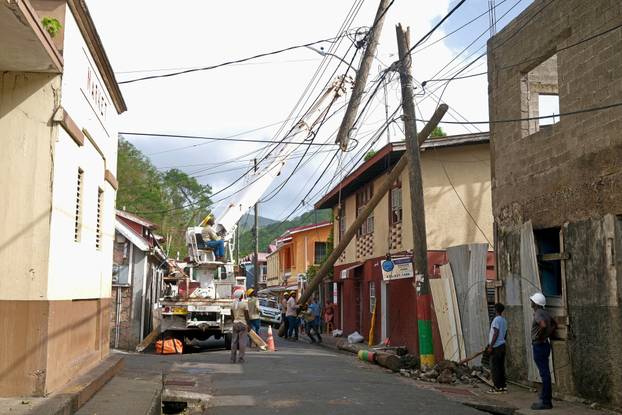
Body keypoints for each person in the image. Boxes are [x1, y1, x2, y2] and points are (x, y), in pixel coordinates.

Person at [530, 292, 557, 410]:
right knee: (545, 373)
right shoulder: (546, 313)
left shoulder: (538, 314)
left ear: (535, 303)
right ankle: (545, 398)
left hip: (539, 345)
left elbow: (543, 325)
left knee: (544, 374)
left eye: (532, 301)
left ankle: (546, 401)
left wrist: (540, 337)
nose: (531, 302)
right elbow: (554, 324)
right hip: (545, 344)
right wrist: (547, 335)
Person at [486, 303, 508, 394]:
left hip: (496, 347)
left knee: (495, 367)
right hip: (502, 345)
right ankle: (503, 386)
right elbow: (505, 333)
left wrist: (491, 346)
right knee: (501, 367)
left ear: (496, 310)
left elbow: (496, 333)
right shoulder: (504, 320)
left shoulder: (496, 320)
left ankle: (497, 387)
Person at [231, 289, 250, 363]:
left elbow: (231, 315)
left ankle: (233, 358)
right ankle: (241, 358)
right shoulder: (244, 304)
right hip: (243, 324)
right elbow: (247, 315)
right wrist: (249, 325)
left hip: (235, 323)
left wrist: (234, 321)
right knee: (242, 342)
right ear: (240, 296)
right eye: (242, 295)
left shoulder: (232, 304)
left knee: (234, 342)